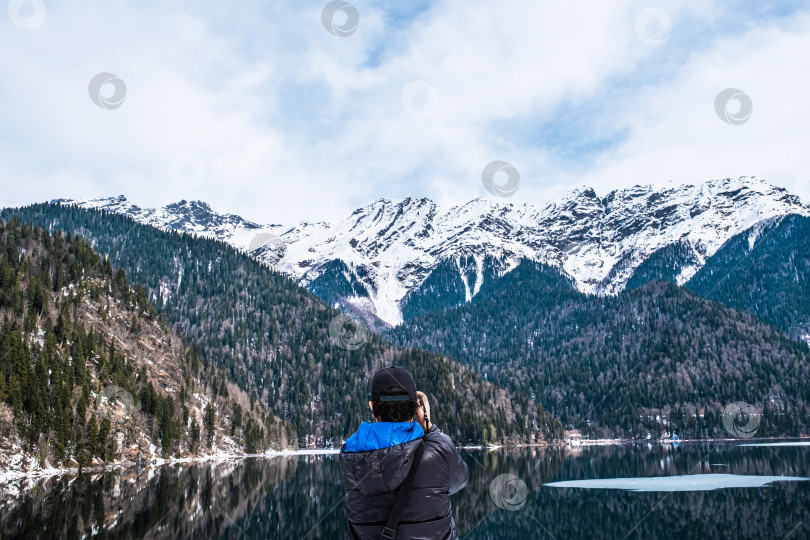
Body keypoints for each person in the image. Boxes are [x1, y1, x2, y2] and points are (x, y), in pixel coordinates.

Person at [339, 366, 469, 539]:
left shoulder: (351, 455)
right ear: (416, 408)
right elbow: (459, 481)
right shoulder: (438, 451)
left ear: (372, 407)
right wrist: (428, 427)